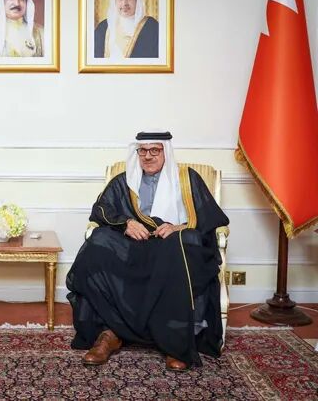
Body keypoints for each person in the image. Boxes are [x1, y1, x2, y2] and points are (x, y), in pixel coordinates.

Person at [66, 131, 229, 371]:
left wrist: (178, 227)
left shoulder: (187, 178)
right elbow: (101, 210)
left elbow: (210, 216)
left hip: (171, 244)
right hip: (135, 244)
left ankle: (174, 342)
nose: (148, 156)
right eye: (142, 151)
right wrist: (126, 224)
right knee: (98, 241)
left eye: (155, 150)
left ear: (166, 152)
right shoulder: (123, 181)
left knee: (184, 243)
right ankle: (110, 333)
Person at [94, 0, 159, 60]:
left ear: (137, 0)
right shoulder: (103, 27)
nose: (124, 3)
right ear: (114, 1)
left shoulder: (152, 26)